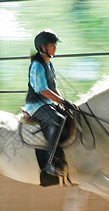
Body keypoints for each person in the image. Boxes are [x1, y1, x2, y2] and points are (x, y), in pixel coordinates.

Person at [24, 29, 74, 177]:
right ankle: (50, 163)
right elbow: (43, 90)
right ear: (43, 47)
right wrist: (61, 101)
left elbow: (53, 88)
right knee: (56, 119)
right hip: (36, 105)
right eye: (52, 45)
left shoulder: (49, 65)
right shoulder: (37, 65)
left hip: (47, 103)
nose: (55, 47)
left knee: (69, 115)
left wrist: (65, 102)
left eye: (55, 45)